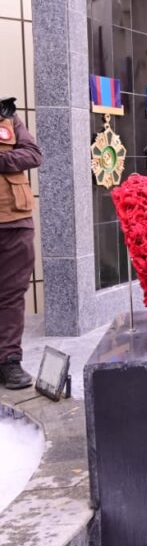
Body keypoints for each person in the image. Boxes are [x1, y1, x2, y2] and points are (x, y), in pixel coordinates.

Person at [0, 97, 42, 390]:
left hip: (15, 222)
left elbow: (33, 154)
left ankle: (9, 361)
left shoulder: (8, 119)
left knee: (12, 296)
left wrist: (2, 160)